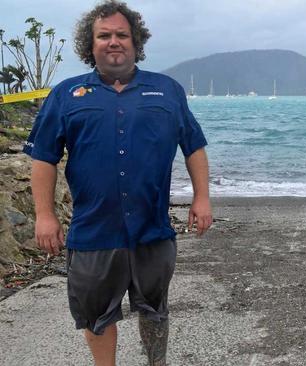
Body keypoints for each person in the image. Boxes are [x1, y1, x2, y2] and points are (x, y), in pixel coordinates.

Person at [23, 1, 212, 365]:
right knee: (95, 314)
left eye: (122, 35)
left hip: (152, 231)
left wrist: (202, 198)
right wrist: (44, 215)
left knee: (154, 309)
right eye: (104, 35)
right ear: (90, 44)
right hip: (94, 231)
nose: (114, 42)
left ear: (135, 41)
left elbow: (194, 147)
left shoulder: (168, 90)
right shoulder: (66, 94)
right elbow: (44, 158)